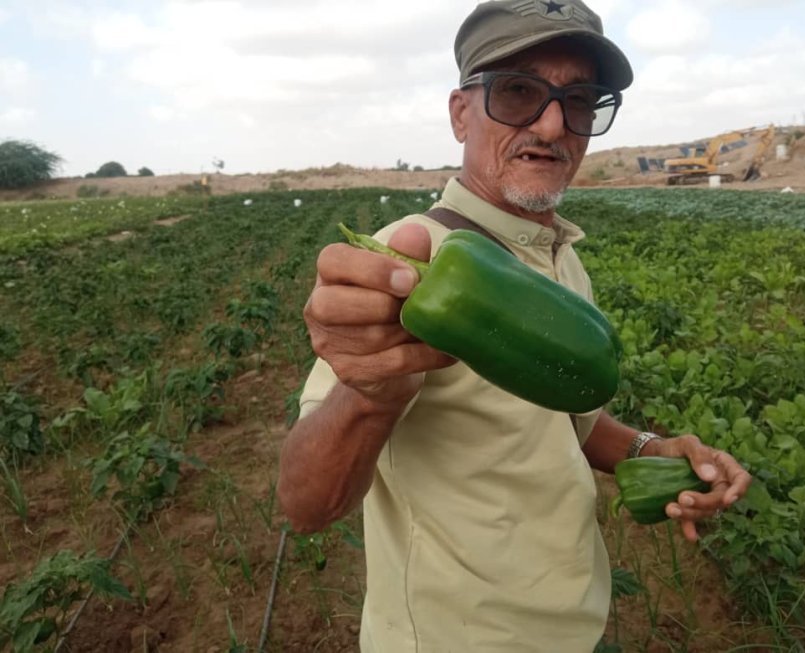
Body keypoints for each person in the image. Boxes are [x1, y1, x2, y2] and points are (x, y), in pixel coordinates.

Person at [278, 1, 752, 651]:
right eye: (519, 91)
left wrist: (649, 449)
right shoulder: (405, 268)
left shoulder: (557, 254)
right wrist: (367, 392)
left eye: (581, 100)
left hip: (572, 625)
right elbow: (305, 503)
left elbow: (569, 424)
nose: (554, 123)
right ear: (460, 112)